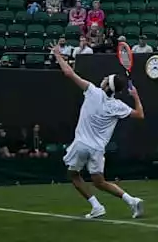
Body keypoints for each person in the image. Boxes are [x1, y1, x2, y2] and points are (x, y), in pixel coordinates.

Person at [50, 44, 146, 219]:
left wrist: (57, 55)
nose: (102, 78)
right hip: (97, 150)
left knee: (73, 175)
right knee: (99, 182)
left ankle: (96, 206)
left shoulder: (92, 91)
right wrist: (136, 97)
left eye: (105, 79)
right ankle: (131, 200)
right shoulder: (118, 106)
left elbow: (69, 73)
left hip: (81, 145)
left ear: (108, 86)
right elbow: (140, 114)